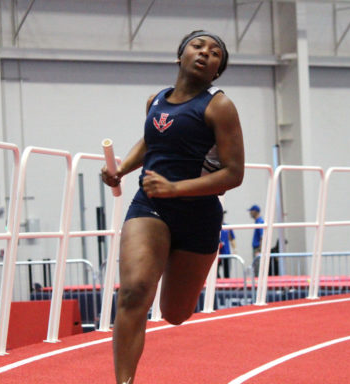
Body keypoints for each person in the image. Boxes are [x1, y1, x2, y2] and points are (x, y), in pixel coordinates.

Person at [102, 30, 244, 384]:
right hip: (151, 206)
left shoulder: (219, 106)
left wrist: (175, 187)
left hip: (198, 216)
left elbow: (234, 174)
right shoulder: (156, 101)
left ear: (217, 72)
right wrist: (120, 169)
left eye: (215, 54)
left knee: (175, 313)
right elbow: (151, 141)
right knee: (134, 292)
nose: (205, 54)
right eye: (198, 46)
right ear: (179, 55)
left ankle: (167, 256)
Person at [218, 210, 237, 278]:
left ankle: (226, 284)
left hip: (226, 253)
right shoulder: (215, 226)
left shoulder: (227, 227)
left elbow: (232, 239)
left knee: (227, 272)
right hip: (217, 254)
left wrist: (234, 249)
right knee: (215, 272)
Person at [248, 204, 264, 276]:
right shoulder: (258, 221)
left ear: (255, 211)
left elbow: (262, 236)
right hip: (257, 248)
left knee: (257, 268)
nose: (250, 213)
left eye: (251, 211)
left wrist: (260, 249)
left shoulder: (260, 222)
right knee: (256, 267)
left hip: (257, 248)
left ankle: (258, 285)